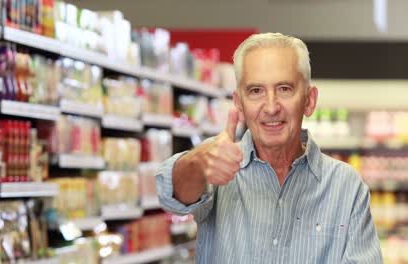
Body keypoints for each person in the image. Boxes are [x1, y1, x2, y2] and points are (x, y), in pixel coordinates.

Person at [156, 33, 383, 263]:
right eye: (256, 91)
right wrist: (197, 163)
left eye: (284, 89)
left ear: (309, 100)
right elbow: (169, 195)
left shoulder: (346, 186)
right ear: (239, 104)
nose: (271, 107)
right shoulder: (215, 165)